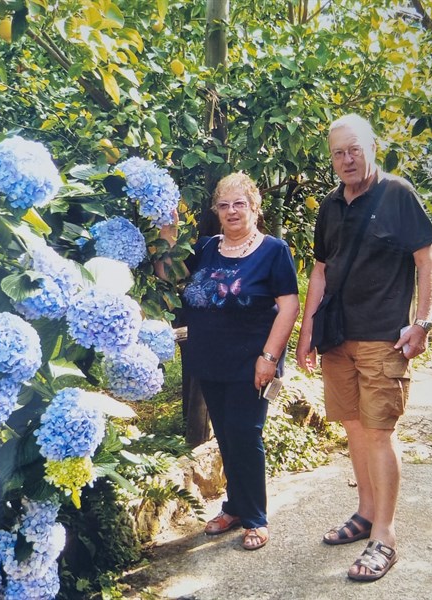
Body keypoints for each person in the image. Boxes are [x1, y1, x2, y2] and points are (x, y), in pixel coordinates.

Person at [296, 114, 432, 581]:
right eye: (338, 152)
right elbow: (320, 271)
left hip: (384, 338)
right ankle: (363, 514)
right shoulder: (330, 206)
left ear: (371, 146)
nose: (347, 159)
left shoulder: (397, 194)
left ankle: (385, 535)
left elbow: (426, 260)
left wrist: (421, 322)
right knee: (354, 428)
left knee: (379, 432)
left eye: (354, 149)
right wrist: (307, 333)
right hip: (338, 338)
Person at [180, 172, 299, 550]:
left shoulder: (273, 251)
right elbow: (169, 274)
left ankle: (255, 517)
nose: (232, 211)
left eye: (240, 204)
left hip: (252, 361)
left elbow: (289, 306)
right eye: (224, 205)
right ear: (216, 210)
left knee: (246, 436)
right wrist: (167, 226)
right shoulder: (204, 248)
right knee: (228, 436)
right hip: (210, 359)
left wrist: (269, 357)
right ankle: (233, 507)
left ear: (255, 208)